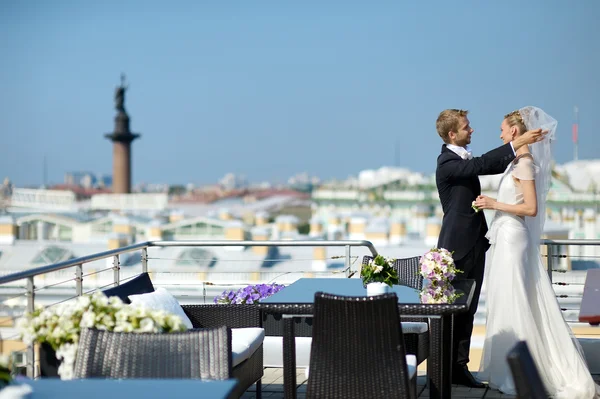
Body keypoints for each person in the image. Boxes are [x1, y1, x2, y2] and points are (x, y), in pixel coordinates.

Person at [475, 106, 600, 397]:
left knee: (516, 298)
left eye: (503, 129)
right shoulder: (516, 160)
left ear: (514, 131)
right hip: (506, 237)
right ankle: (506, 368)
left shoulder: (524, 163)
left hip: (513, 237)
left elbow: (530, 208)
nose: (500, 133)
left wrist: (495, 204)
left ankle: (522, 370)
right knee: (507, 298)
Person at [435, 108, 546, 387]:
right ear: (452, 134)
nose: (472, 130)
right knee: (453, 310)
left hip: (475, 244)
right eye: (466, 127)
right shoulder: (447, 162)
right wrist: (516, 143)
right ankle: (448, 368)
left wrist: (519, 148)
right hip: (455, 249)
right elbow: (481, 165)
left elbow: (491, 165)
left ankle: (459, 368)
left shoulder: (464, 158)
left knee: (469, 309)